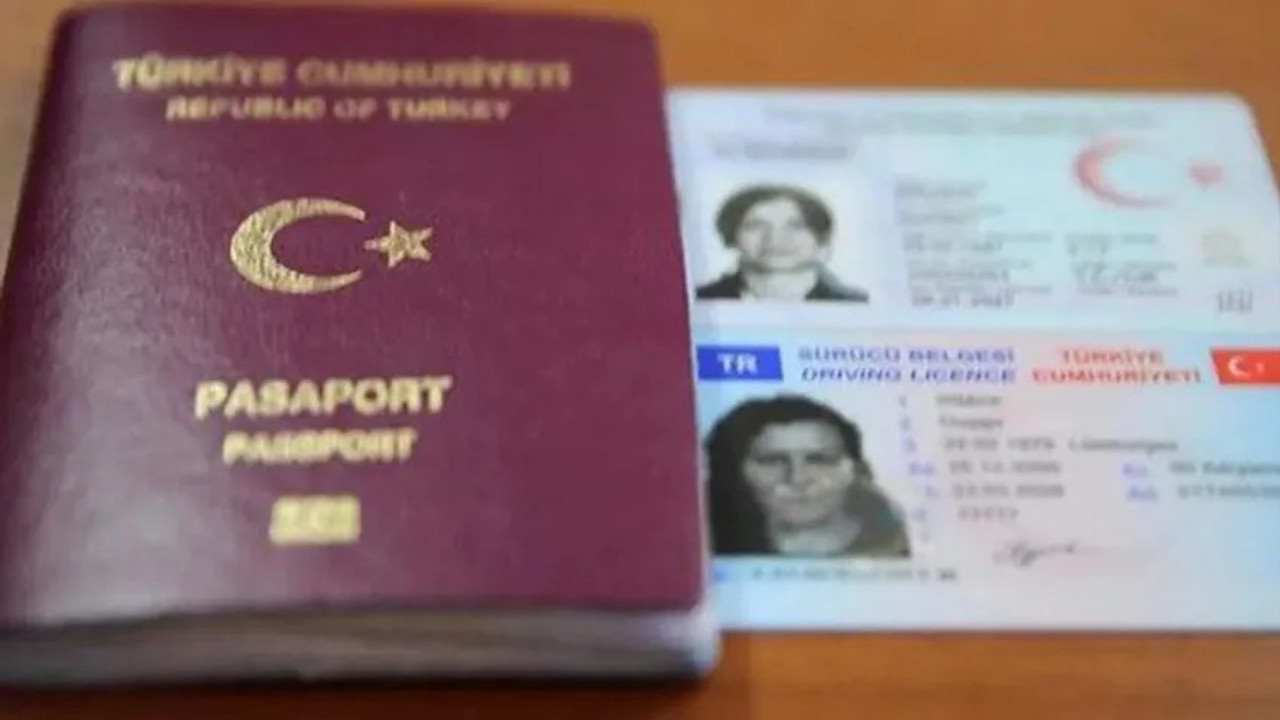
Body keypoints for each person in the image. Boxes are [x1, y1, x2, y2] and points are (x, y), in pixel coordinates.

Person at [704, 394, 910, 557]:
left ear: (855, 469)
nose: (798, 479)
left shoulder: (897, 546)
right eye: (772, 461)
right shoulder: (707, 549)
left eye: (819, 460)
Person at [695, 184, 869, 302]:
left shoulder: (855, 304)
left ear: (820, 238)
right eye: (756, 226)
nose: (775, 239)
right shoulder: (702, 300)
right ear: (731, 236)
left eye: (795, 226)